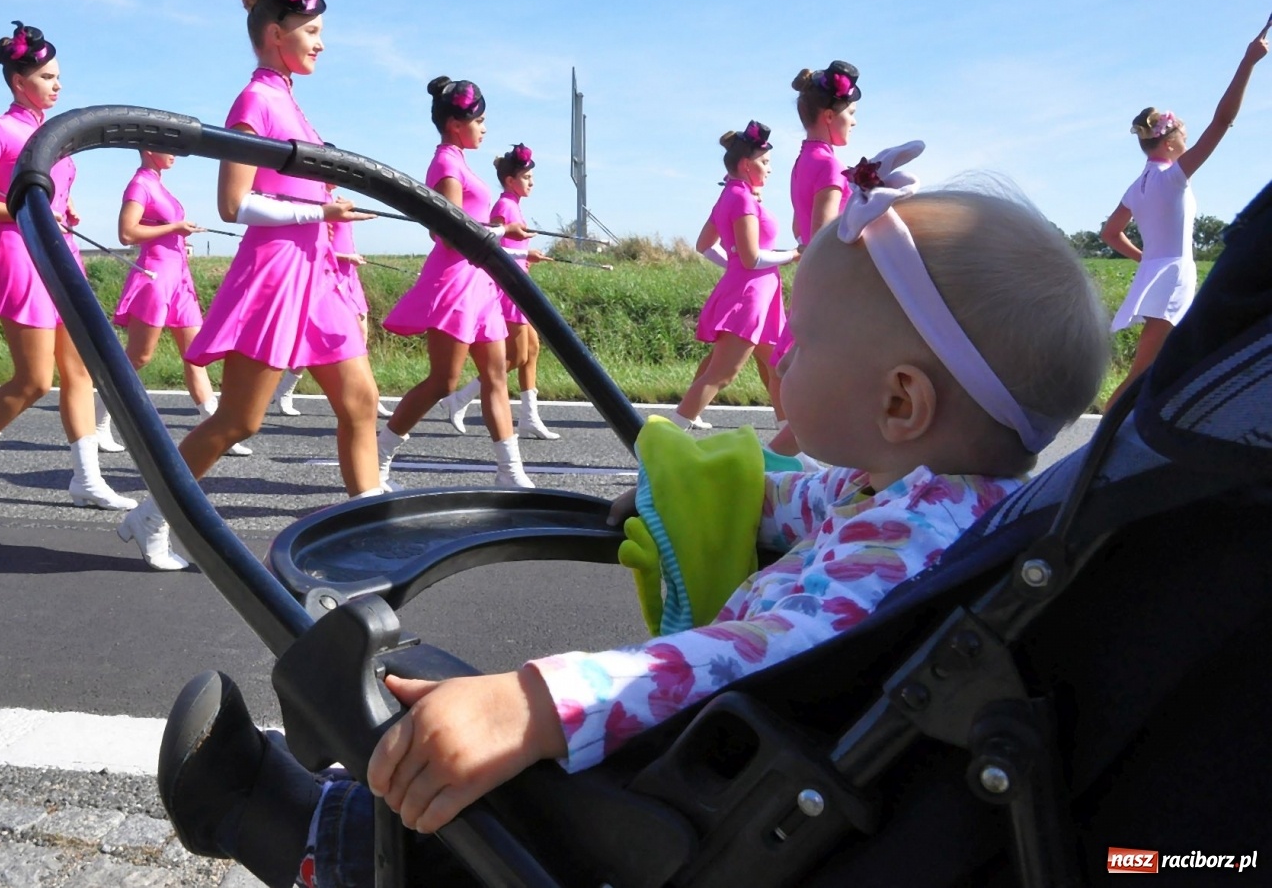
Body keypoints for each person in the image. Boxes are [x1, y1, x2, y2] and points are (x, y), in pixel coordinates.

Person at [151, 165, 1112, 888]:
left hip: (711, 784)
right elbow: (794, 497)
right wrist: (671, 494)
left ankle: (310, 835)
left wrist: (540, 704)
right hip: (740, 758)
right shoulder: (922, 497)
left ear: (901, 401)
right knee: (466, 709)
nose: (781, 353)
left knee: (482, 735)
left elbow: (754, 654)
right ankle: (349, 799)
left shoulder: (898, 552)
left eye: (805, 337)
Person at [117, 0, 383, 570]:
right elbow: (233, 204)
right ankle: (151, 513)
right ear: (274, 34)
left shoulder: (289, 99)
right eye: (311, 31)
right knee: (239, 419)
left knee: (361, 403)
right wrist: (318, 211)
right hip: (276, 274)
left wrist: (330, 215)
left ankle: (369, 535)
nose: (321, 43)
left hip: (318, 274)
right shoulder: (256, 99)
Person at [0, 22, 135, 512]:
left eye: (58, 76)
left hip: (60, 251)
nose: (57, 84)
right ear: (19, 82)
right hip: (20, 252)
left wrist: (64, 208)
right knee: (34, 379)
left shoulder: (50, 134)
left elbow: (52, 190)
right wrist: (25, 209)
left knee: (80, 371)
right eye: (47, 77)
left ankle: (87, 479)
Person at [1100, 19, 1269, 410]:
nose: (1187, 140)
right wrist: (1248, 63)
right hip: (1174, 276)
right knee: (1143, 371)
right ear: (1170, 142)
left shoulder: (1139, 185)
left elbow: (1110, 233)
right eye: (1183, 136)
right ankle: (1105, 435)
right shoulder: (1172, 177)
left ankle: (1136, 425)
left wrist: (1146, 260)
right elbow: (1223, 122)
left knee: (1157, 366)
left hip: (1158, 273)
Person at [377, 78, 537, 488]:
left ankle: (511, 472)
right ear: (455, 124)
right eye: (479, 121)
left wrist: (499, 232)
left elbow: (470, 225)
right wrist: (502, 231)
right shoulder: (447, 165)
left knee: (496, 376)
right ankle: (378, 458)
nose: (484, 128)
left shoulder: (461, 162)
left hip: (479, 282)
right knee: (443, 381)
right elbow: (448, 234)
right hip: (456, 281)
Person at [107, 149, 250, 457]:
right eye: (167, 148)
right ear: (149, 150)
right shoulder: (140, 185)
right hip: (155, 277)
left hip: (180, 280)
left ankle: (217, 432)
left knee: (195, 355)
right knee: (140, 356)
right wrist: (174, 228)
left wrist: (180, 231)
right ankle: (98, 421)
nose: (174, 154)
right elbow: (126, 233)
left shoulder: (159, 185)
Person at [764, 60, 864, 451]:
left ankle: (782, 458)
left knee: (819, 375)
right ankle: (775, 459)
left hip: (811, 279)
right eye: (851, 113)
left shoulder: (804, 160)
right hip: (831, 281)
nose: (854, 121)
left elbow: (799, 227)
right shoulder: (830, 166)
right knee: (845, 377)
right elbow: (825, 234)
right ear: (829, 116)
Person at [672, 122, 798, 429]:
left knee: (777, 368)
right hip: (750, 296)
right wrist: (794, 254)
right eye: (764, 162)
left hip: (760, 295)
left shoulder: (733, 195)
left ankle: (791, 446)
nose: (770, 169)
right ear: (746, 164)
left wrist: (734, 266)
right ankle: (661, 441)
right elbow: (752, 257)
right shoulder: (742, 199)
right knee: (722, 374)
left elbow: (705, 246)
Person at [438, 143, 559, 439]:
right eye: (526, 178)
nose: (531, 183)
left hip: (520, 284)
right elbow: (492, 247)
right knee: (516, 355)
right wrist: (525, 255)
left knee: (531, 350)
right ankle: (460, 399)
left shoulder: (514, 205)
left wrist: (527, 257)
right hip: (508, 288)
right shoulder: (504, 207)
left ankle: (529, 417)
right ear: (510, 180)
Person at [266, 211, 393, 419]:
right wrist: (345, 257)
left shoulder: (338, 204)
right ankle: (285, 390)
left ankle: (371, 398)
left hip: (349, 276)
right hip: (329, 276)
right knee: (315, 342)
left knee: (361, 338)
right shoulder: (321, 208)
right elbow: (316, 247)